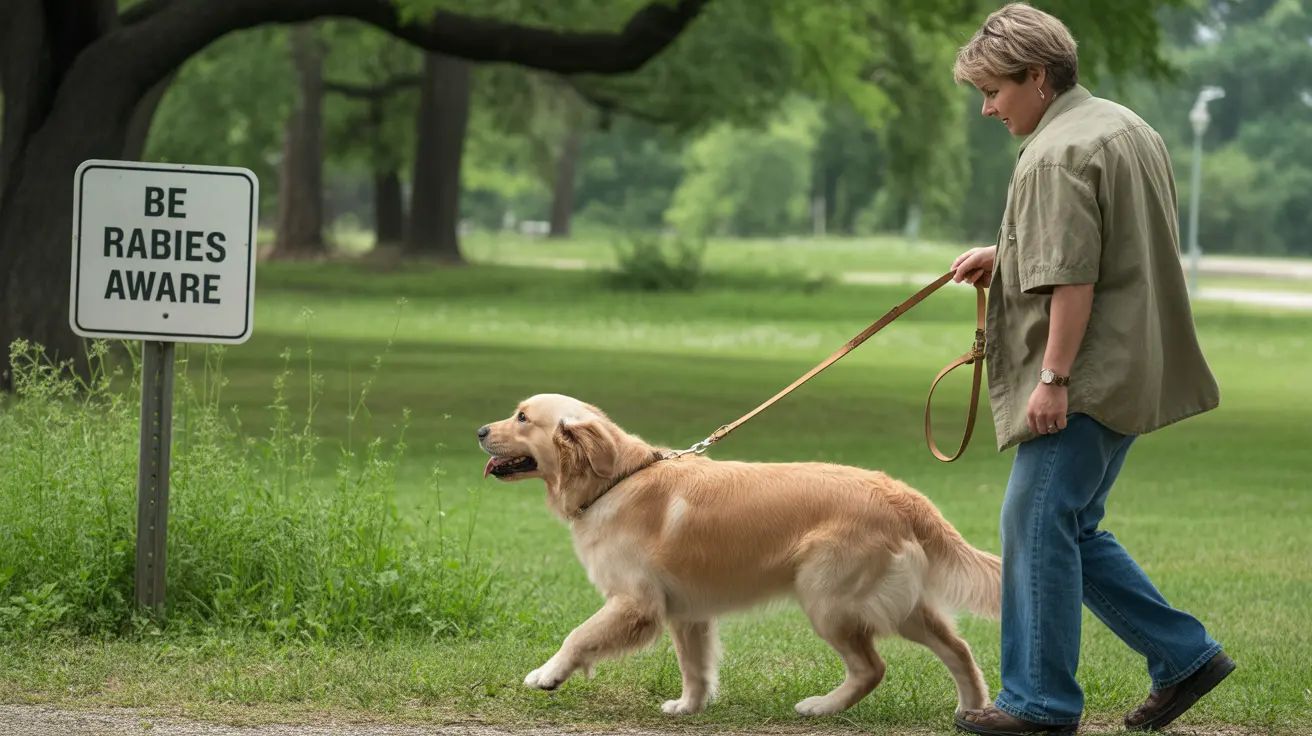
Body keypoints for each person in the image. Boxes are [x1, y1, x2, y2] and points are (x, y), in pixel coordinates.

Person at [946, 4, 1235, 735]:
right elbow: (1113, 245)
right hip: (1136, 362)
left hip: (1087, 376)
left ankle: (1039, 704)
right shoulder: (1120, 124)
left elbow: (1075, 280)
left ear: (1037, 78)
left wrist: (1053, 378)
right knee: (1067, 525)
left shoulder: (1053, 154)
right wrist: (1006, 255)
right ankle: (1184, 655)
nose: (987, 108)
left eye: (994, 91)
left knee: (1035, 523)